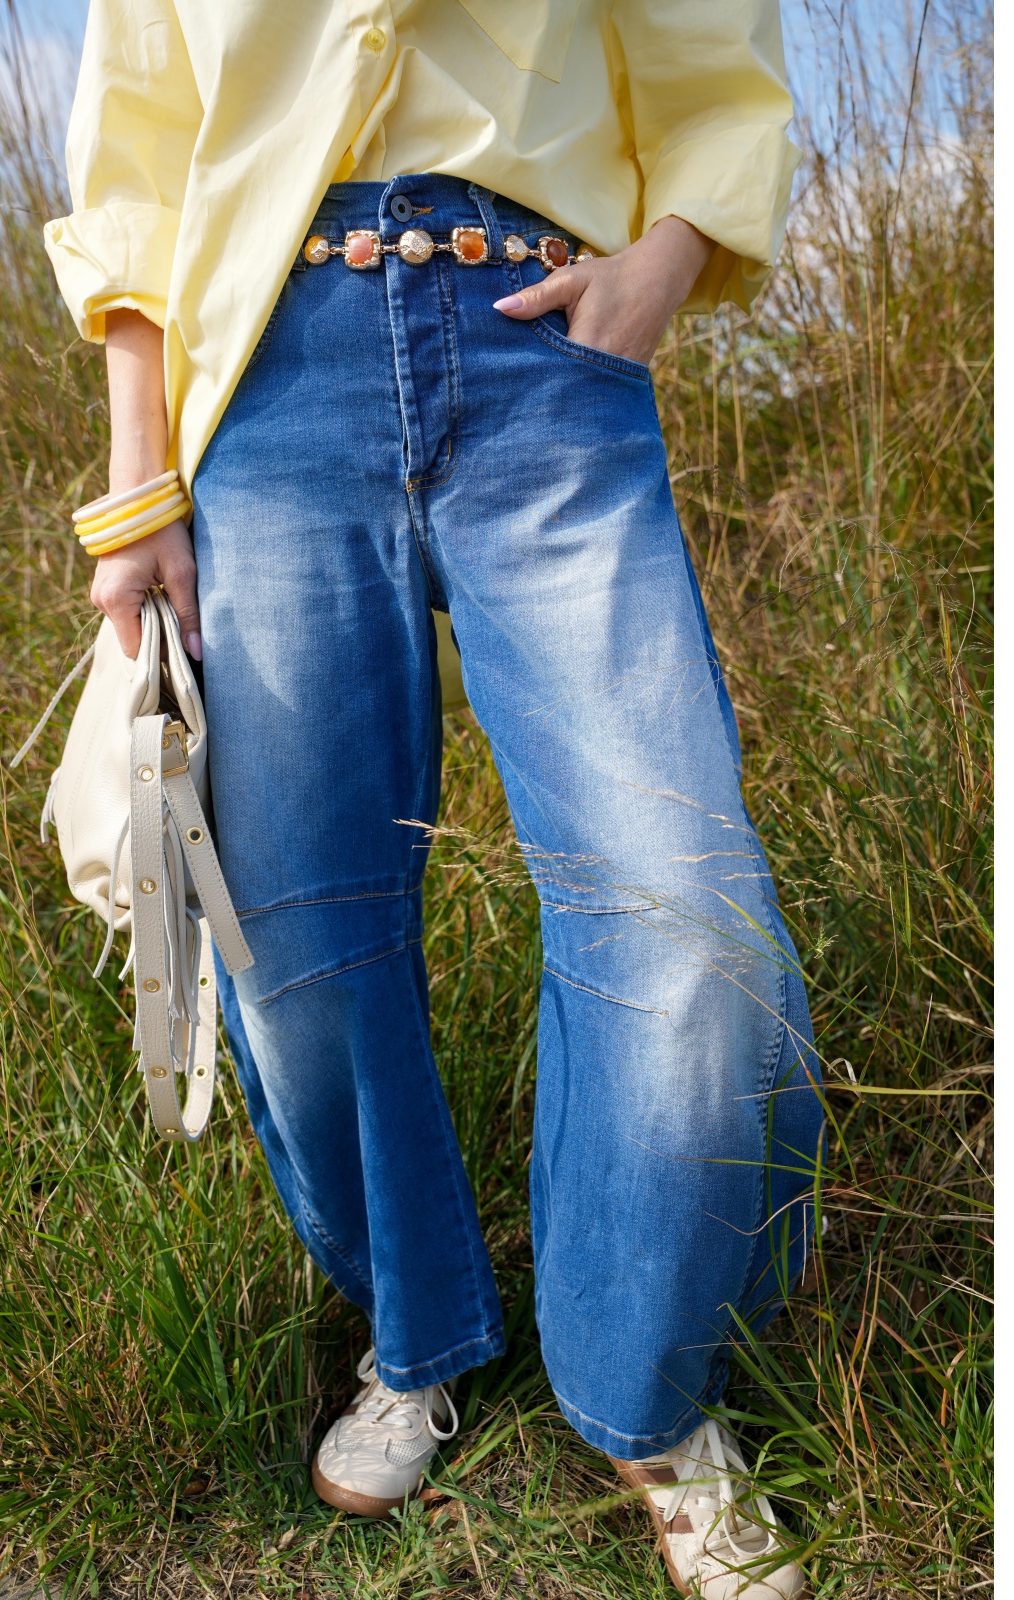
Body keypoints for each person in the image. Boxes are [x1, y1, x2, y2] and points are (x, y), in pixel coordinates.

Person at [47, 3, 826, 1593]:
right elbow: (142, 140)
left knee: (680, 912)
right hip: (266, 386)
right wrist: (138, 483)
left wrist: (666, 260)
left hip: (545, 346)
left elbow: (712, 61)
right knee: (297, 938)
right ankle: (418, 1333)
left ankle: (648, 1396)